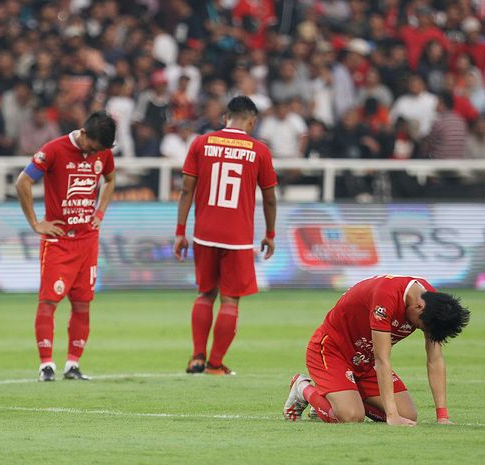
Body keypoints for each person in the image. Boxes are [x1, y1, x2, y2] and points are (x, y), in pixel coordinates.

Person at [174, 96, 278, 375]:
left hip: (204, 233)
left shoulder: (201, 143)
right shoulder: (259, 150)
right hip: (238, 237)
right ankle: (215, 364)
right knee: (230, 300)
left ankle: (197, 357)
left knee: (205, 294)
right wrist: (270, 233)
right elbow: (269, 199)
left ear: (225, 118)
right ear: (252, 121)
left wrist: (180, 232)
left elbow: (186, 190)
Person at [283, 275, 470, 425]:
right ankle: (303, 388)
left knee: (408, 415)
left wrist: (442, 416)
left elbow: (434, 360)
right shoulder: (386, 297)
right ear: (418, 307)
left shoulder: (434, 307)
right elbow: (382, 360)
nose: (422, 330)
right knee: (350, 417)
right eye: (422, 326)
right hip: (332, 352)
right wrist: (391, 415)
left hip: (365, 360)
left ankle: (336, 397)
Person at [16, 111, 116, 382]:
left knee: (83, 305)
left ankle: (72, 365)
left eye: (98, 150)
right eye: (91, 147)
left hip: (87, 241)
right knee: (49, 302)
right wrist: (36, 223)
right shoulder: (53, 150)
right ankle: (46, 365)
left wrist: (100, 212)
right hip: (58, 241)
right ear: (83, 133)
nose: (93, 153)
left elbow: (110, 179)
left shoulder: (103, 152)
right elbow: (22, 181)